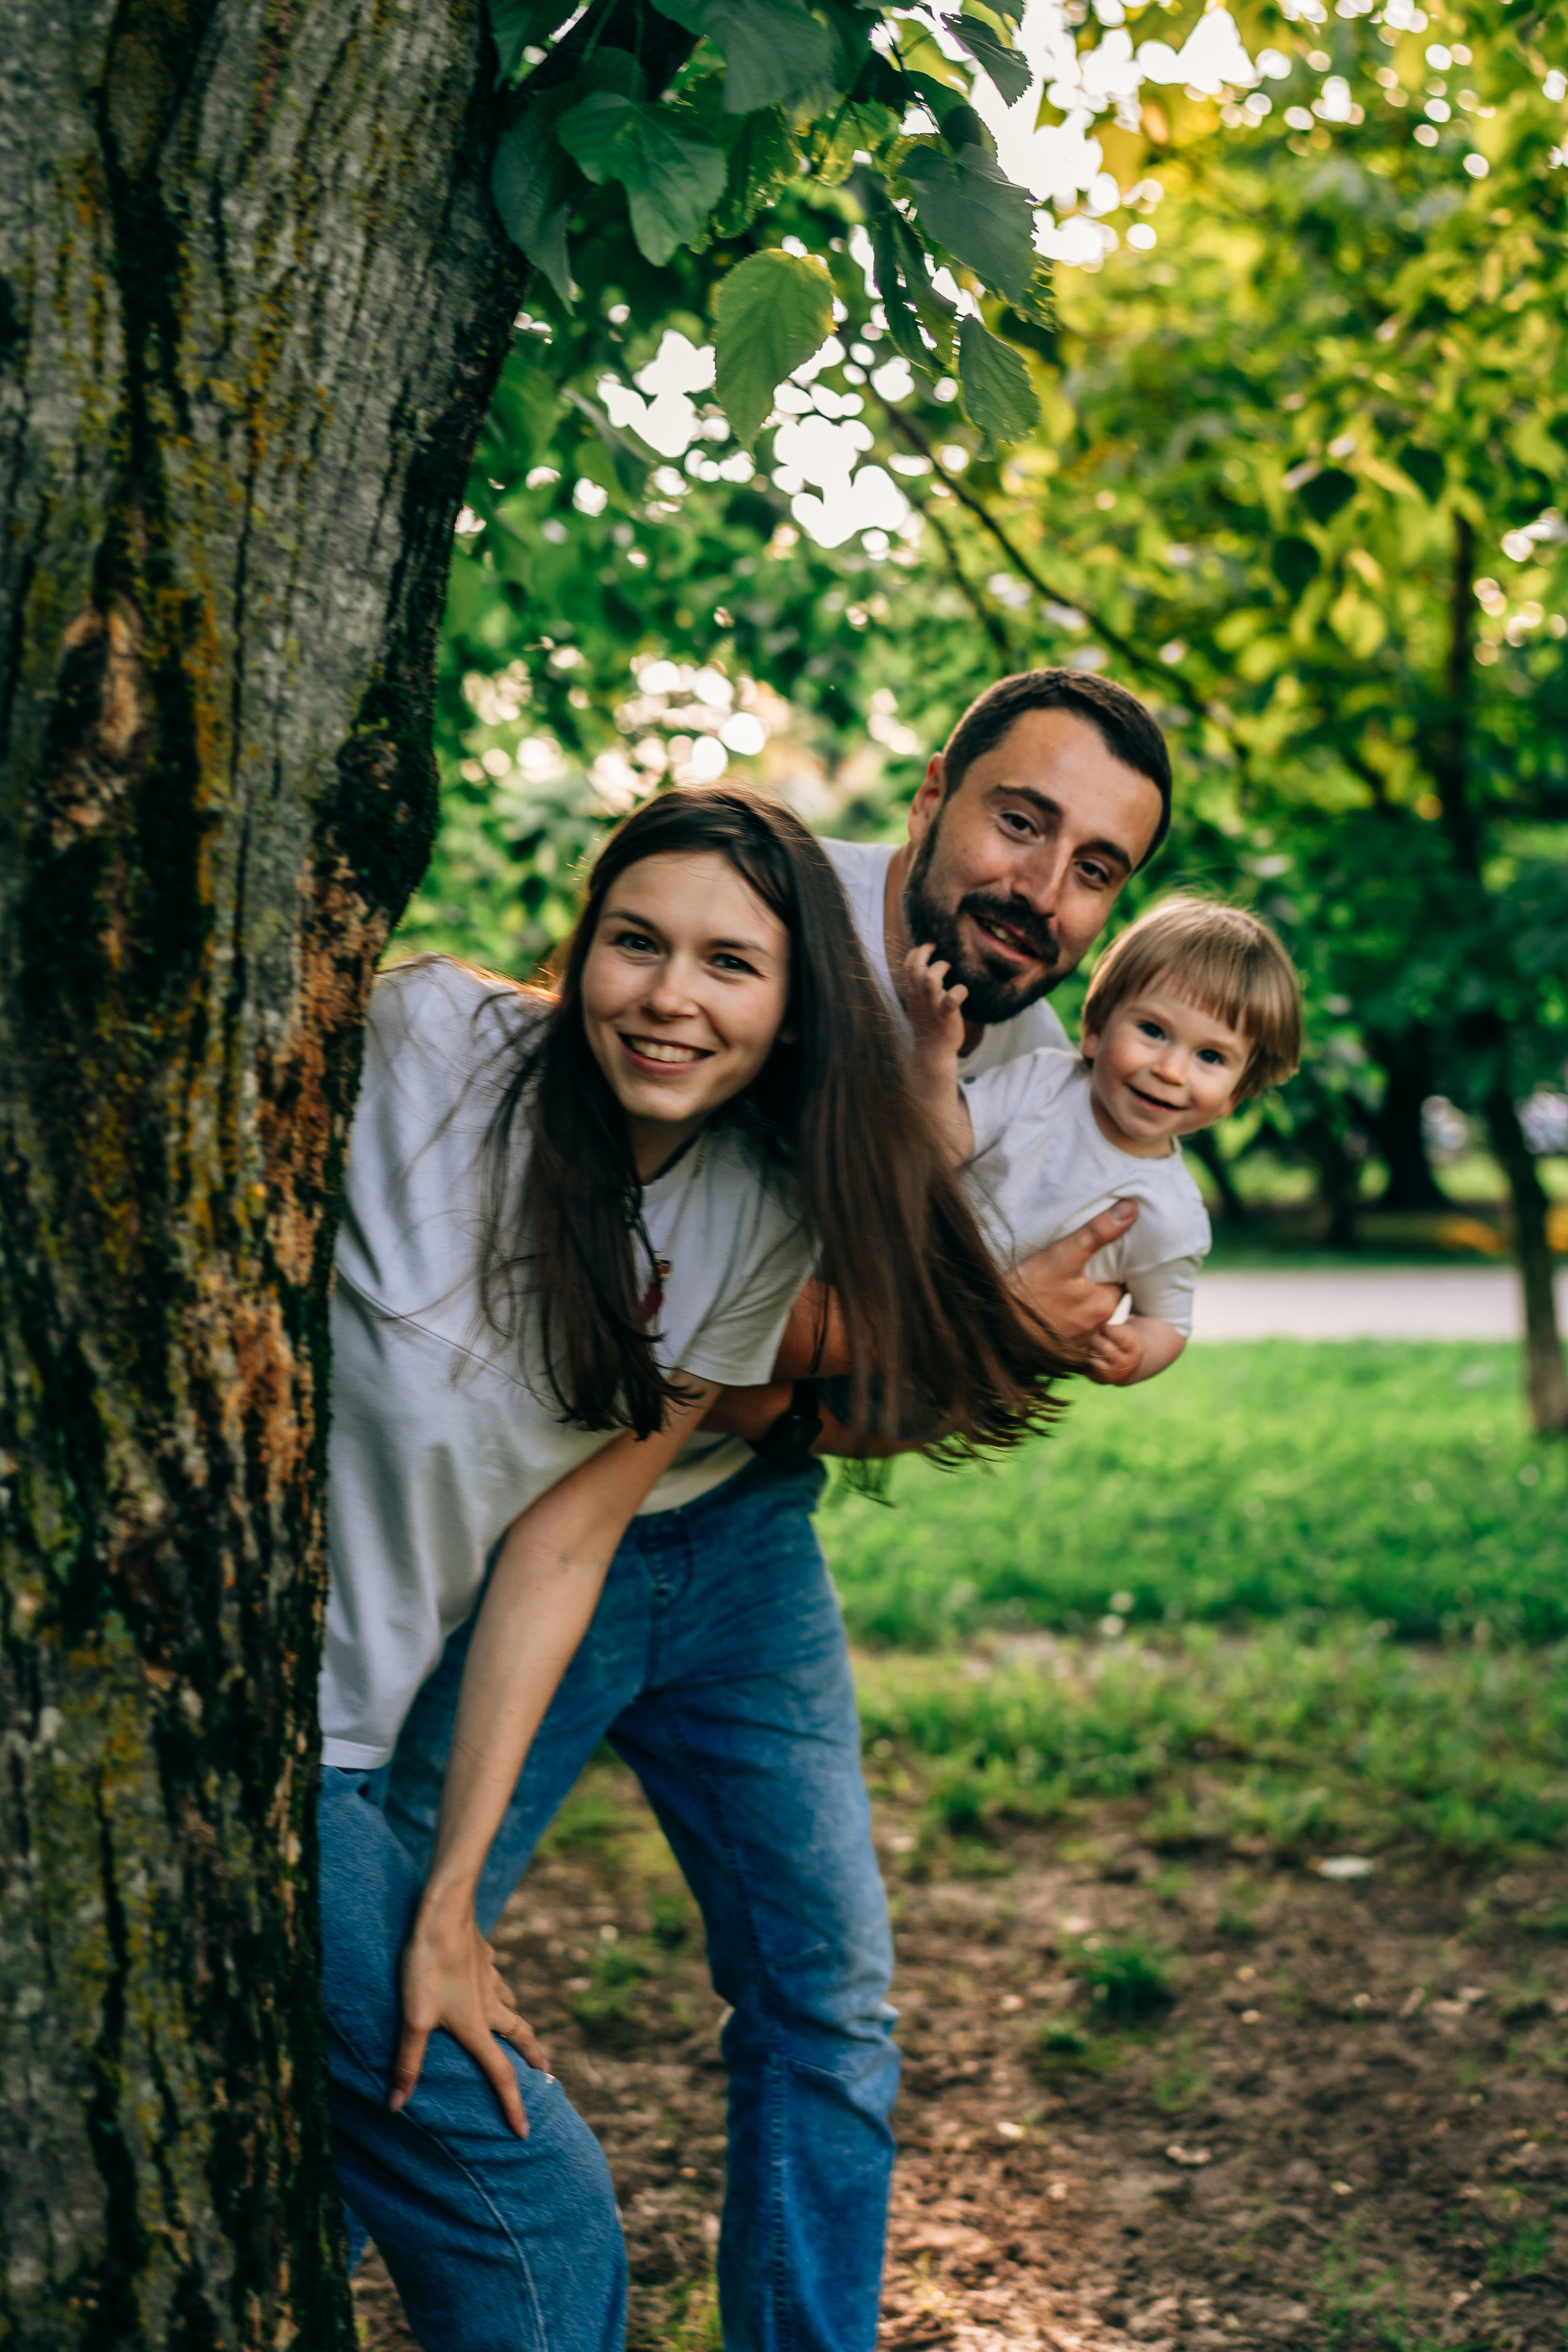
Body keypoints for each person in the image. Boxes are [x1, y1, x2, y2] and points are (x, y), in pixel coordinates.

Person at [381, 669, 1173, 2352]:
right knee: (395, 1977)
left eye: (1098, 867)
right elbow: (680, 1317)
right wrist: (958, 1319)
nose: (1044, 888)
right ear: (941, 785)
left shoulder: (1031, 1061)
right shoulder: (749, 925)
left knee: (830, 2008)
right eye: (1023, 822)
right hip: (546, 1523)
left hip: (743, 1543)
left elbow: (897, 1396)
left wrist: (936, 1348)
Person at [904, 897, 1303, 1385]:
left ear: (1234, 1096)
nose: (1171, 1070)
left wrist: (1137, 1353)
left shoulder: (1169, 1213)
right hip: (891, 1294)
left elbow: (1168, 1321)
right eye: (1153, 1030)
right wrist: (935, 1053)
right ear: (1094, 1031)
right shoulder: (1042, 1080)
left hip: (972, 1375)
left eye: (1212, 1057)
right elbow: (939, 1148)